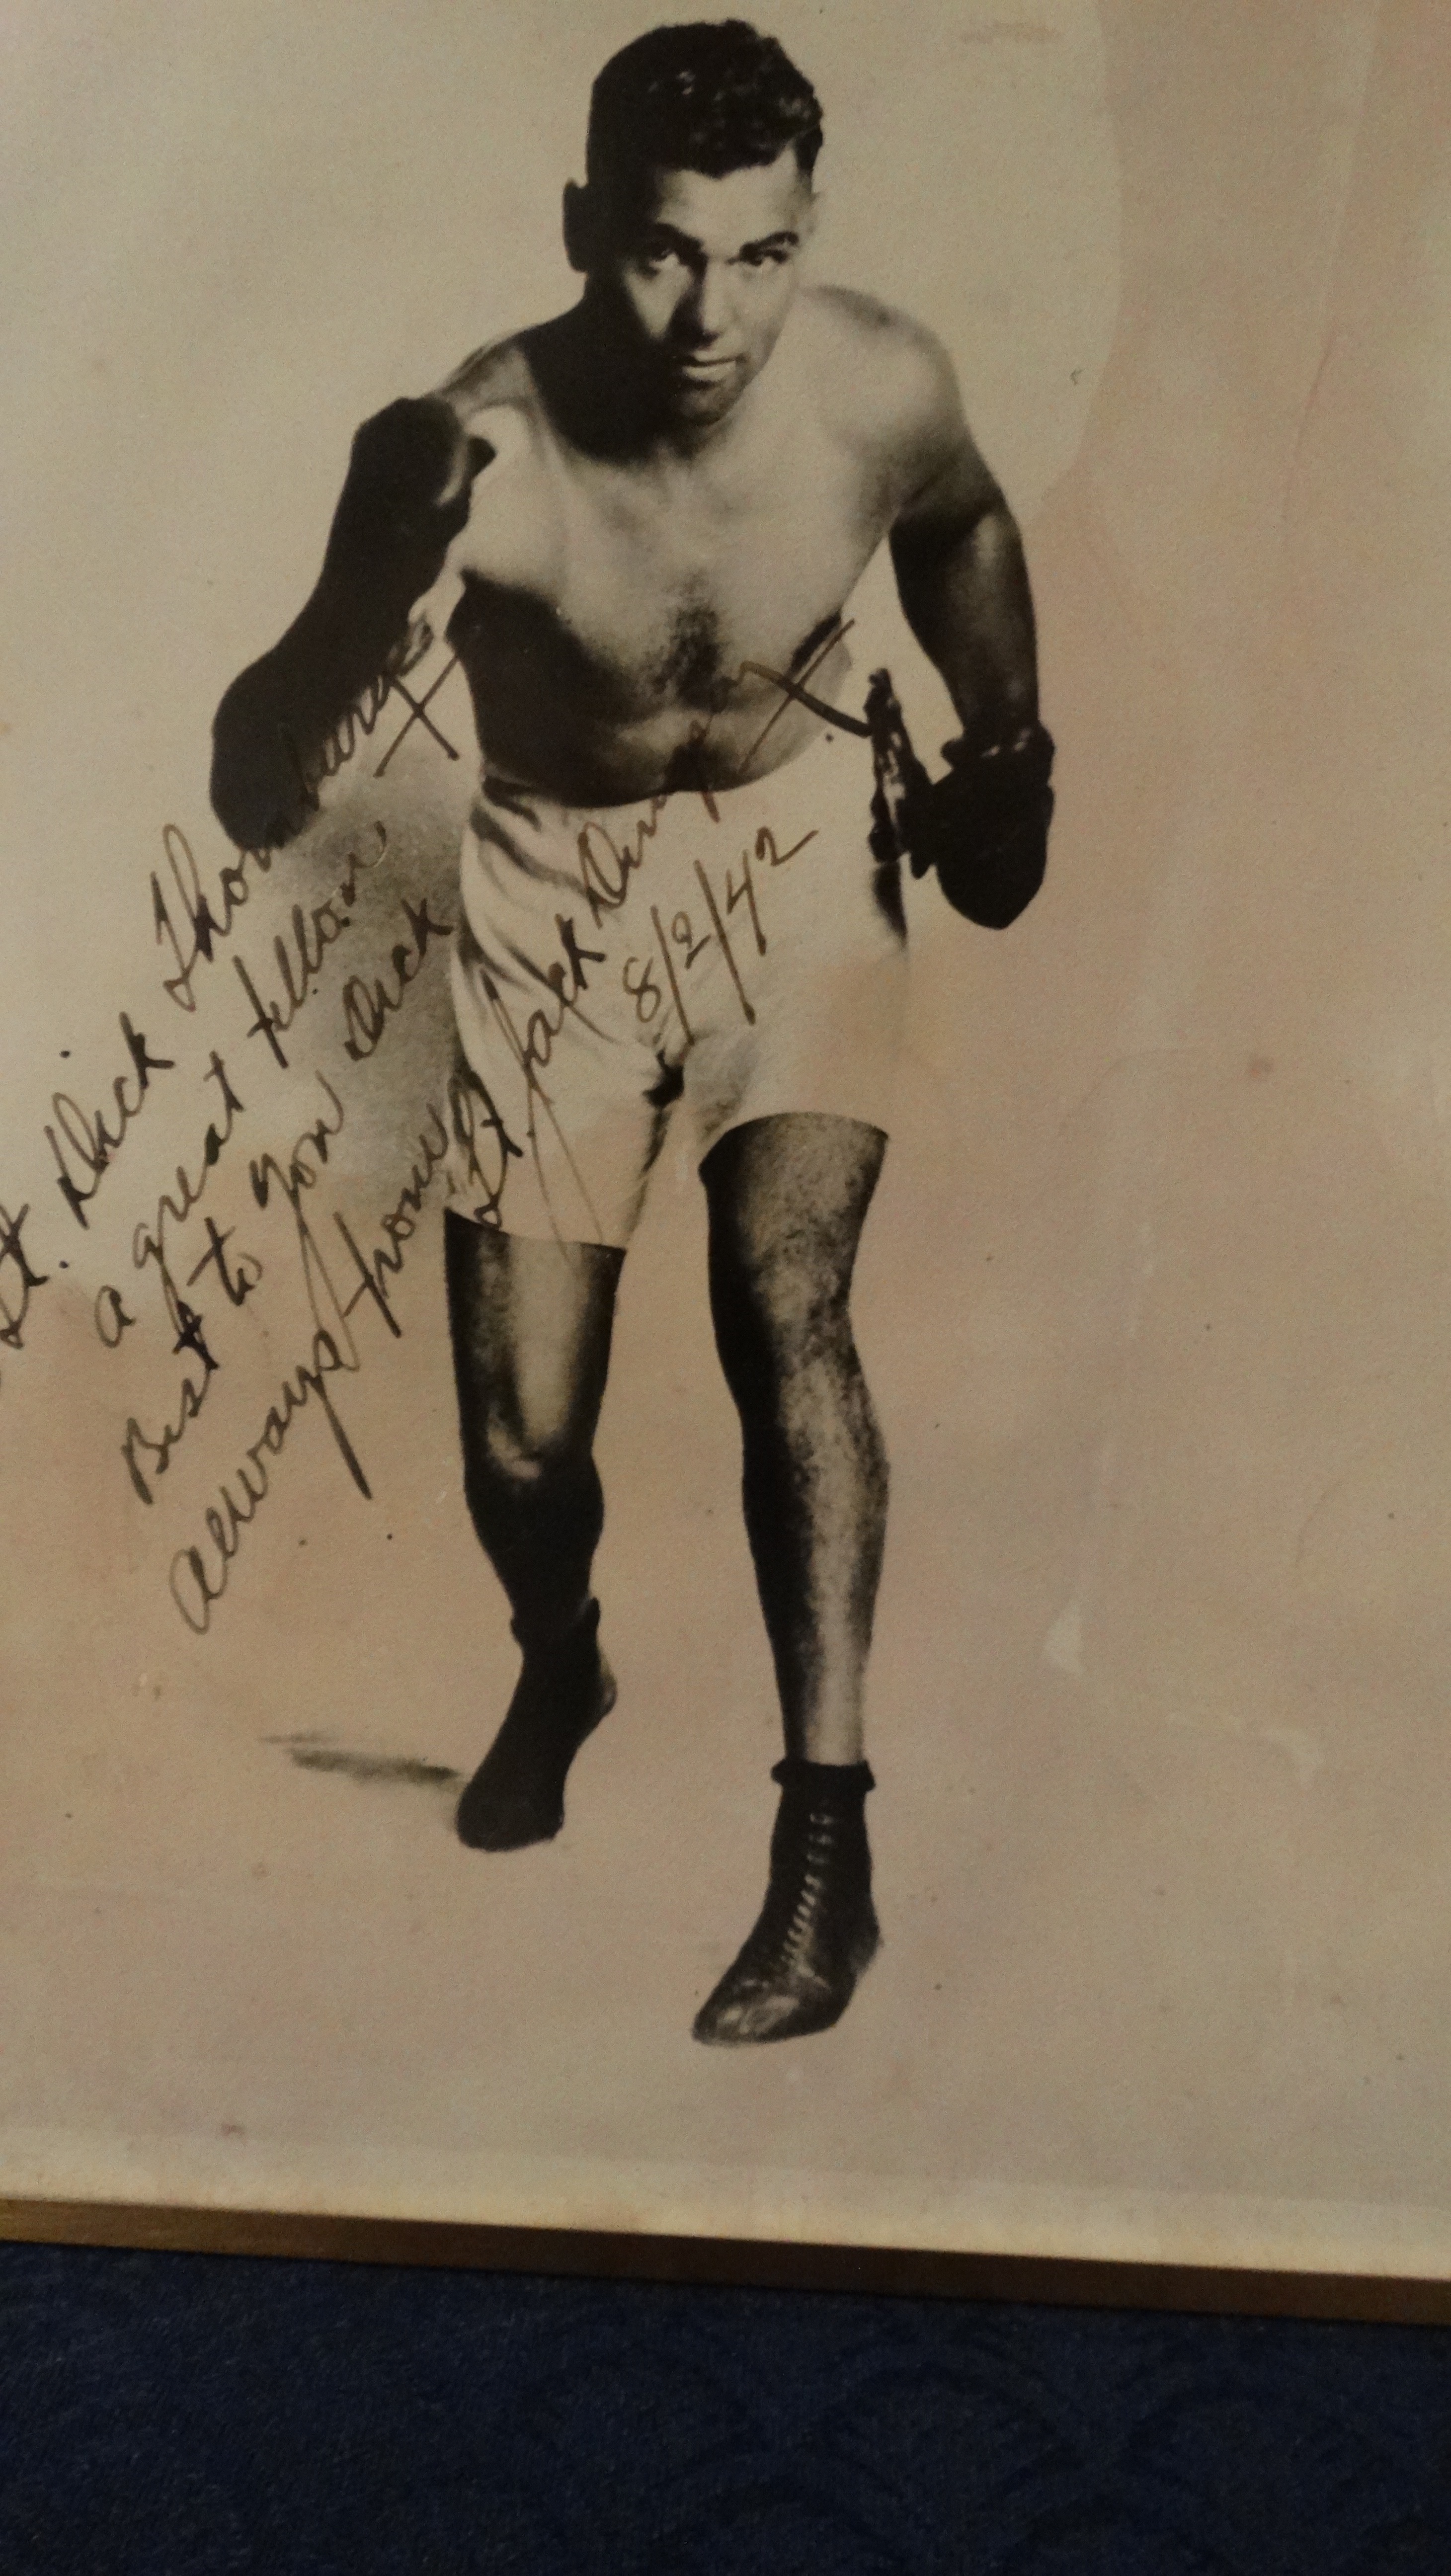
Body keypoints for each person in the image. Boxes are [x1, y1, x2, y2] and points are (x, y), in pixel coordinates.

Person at [211, 20, 1051, 2046]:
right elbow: (256, 789)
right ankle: (560, 1652)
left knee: (788, 1316)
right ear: (587, 226)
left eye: (758, 256)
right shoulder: (470, 448)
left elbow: (961, 528)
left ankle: (821, 1848)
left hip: (787, 856)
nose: (712, 311)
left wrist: (1009, 740)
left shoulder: (877, 381)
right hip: (553, 893)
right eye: (667, 253)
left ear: (805, 232)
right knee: (521, 1442)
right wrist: (368, 586)